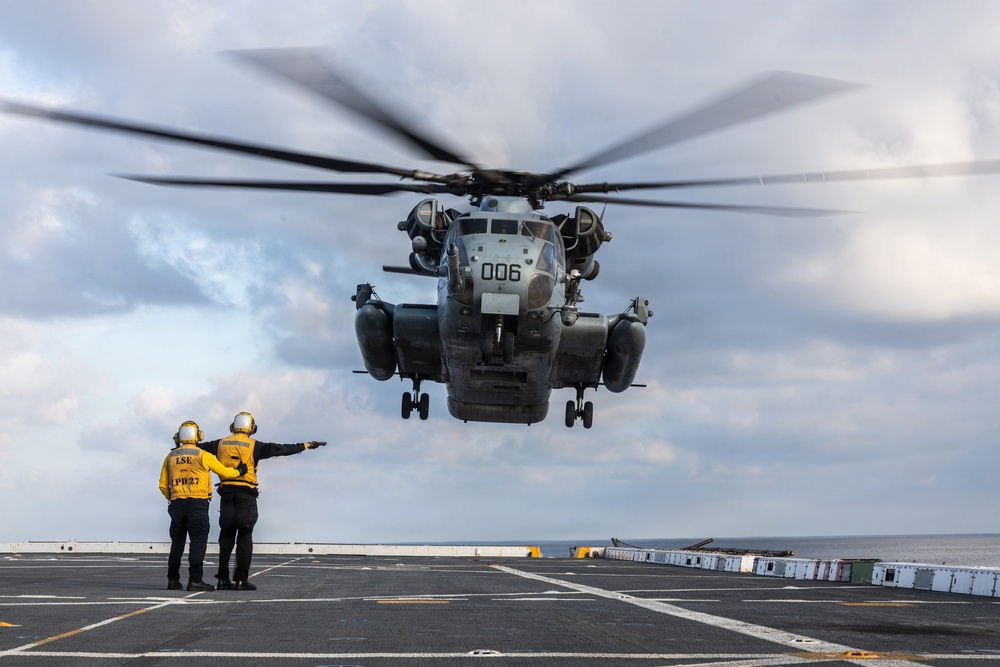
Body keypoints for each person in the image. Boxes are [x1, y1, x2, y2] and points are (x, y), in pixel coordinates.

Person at [198, 411, 326, 591]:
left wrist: (182, 444)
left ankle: (222, 579)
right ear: (252, 428)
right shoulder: (254, 446)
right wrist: (307, 445)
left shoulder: (219, 444)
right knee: (244, 536)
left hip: (226, 496)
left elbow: (196, 448)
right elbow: (282, 449)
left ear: (233, 427)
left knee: (226, 536)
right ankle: (241, 580)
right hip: (246, 496)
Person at [159, 420, 247, 591]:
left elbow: (163, 485)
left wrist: (173, 498)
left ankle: (173, 580)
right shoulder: (202, 455)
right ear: (199, 436)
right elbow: (225, 472)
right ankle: (195, 580)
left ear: (179, 437)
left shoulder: (170, 456)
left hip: (177, 505)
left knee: (176, 543)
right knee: (198, 543)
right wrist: (240, 471)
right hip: (197, 504)